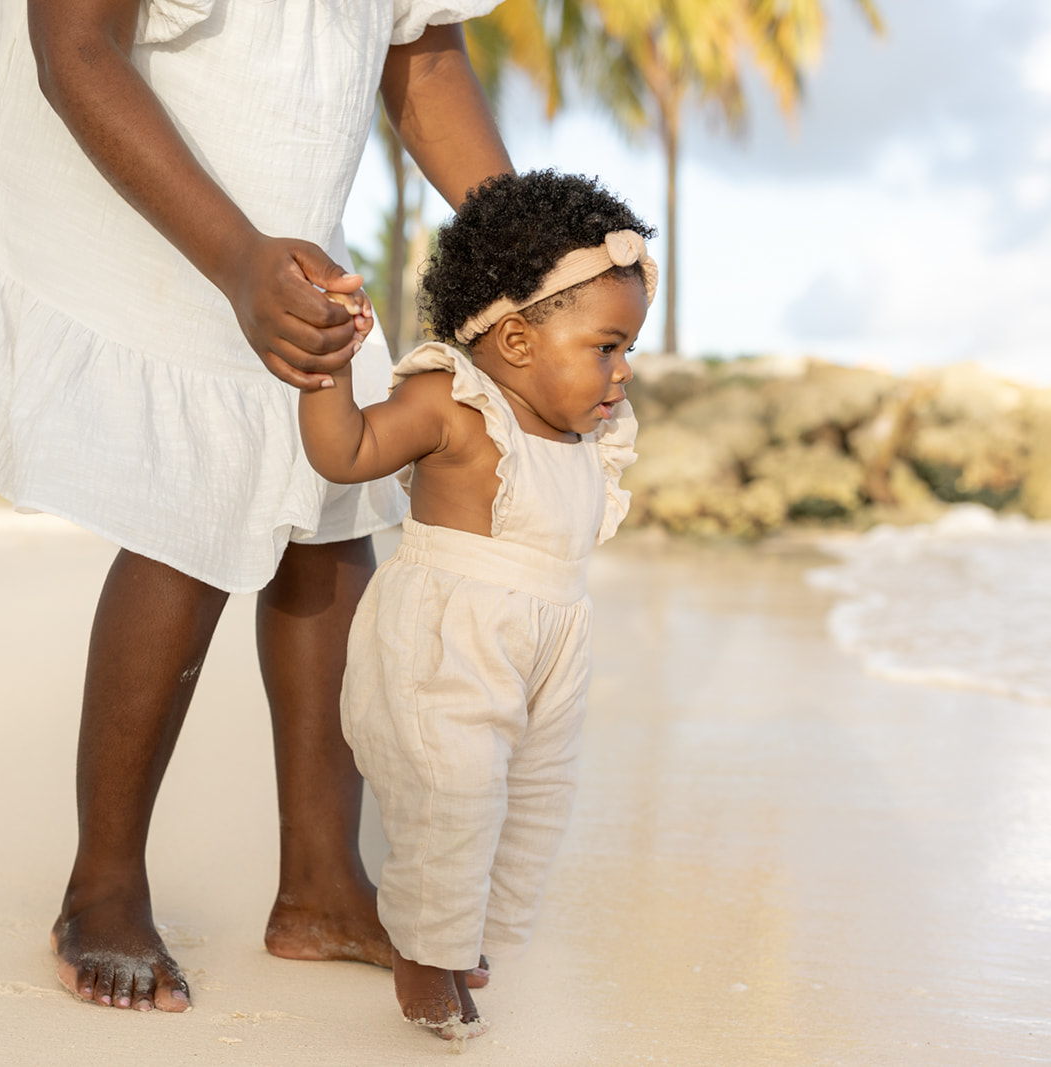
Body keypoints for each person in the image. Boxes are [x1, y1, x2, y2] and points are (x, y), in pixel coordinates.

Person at [0, 0, 512, 1012]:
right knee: (202, 492)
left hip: (278, 155)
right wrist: (231, 258)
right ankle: (104, 880)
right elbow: (73, 46)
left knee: (326, 510)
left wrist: (534, 245)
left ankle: (319, 882)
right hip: (136, 136)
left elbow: (424, 57)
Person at [298, 170, 652, 1039]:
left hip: (552, 640)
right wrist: (326, 369)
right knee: (451, 794)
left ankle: (465, 935)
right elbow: (345, 453)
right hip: (449, 639)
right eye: (606, 345)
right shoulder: (453, 405)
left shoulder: (589, 434)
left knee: (533, 799)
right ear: (520, 341)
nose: (623, 368)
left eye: (626, 347)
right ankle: (423, 955)